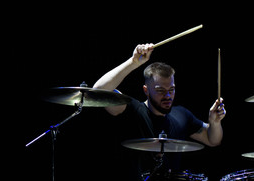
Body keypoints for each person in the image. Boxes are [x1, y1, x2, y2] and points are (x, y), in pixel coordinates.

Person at [93, 43, 225, 171]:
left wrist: (215, 122)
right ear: (146, 90)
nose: (168, 95)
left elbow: (213, 140)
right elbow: (98, 91)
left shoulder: (181, 114)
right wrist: (133, 62)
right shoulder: (133, 110)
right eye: (161, 90)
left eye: (171, 89)